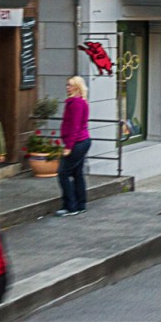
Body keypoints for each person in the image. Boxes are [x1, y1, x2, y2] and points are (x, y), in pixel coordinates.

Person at [56, 76, 92, 217]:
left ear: (77, 87)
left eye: (70, 85)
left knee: (63, 173)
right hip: (82, 141)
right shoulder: (80, 102)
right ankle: (81, 204)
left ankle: (71, 206)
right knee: (77, 174)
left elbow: (75, 127)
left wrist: (68, 147)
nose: (67, 87)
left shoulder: (76, 103)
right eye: (67, 85)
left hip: (77, 143)